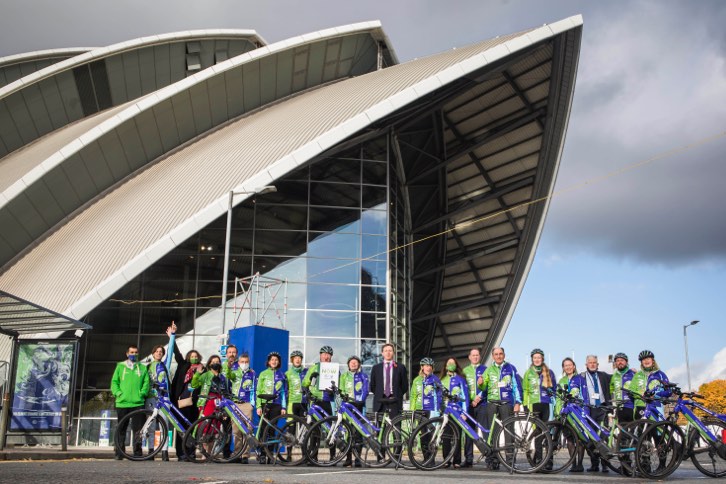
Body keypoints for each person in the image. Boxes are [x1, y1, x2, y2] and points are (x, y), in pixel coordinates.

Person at [478, 347, 521, 470]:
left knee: (509, 431)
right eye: (496, 354)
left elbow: (517, 387)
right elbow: (483, 388)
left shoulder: (511, 368)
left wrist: (518, 402)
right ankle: (493, 460)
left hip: (507, 403)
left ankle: (510, 461)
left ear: (504, 355)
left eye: (500, 354)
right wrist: (480, 383)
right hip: (492, 403)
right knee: (493, 433)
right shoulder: (488, 370)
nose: (498, 356)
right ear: (493, 356)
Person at [569, 355, 611, 473]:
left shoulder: (603, 375)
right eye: (590, 363)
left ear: (597, 364)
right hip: (590, 409)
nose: (592, 364)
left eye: (594, 363)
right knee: (591, 439)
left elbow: (617, 377)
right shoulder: (581, 377)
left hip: (602, 408)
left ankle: (605, 464)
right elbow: (575, 389)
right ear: (586, 364)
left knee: (603, 438)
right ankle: (594, 464)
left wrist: (632, 371)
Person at [168, 322, 203, 461]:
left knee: (192, 427)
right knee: (180, 428)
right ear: (188, 357)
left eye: (196, 356)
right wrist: (172, 336)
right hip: (181, 401)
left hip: (194, 402)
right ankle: (181, 453)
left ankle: (191, 452)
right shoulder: (183, 366)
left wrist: (199, 373)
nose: (194, 357)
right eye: (191, 356)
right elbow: (176, 353)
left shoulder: (202, 369)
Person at [111, 344, 150, 460]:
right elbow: (114, 382)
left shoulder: (142, 368)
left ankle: (137, 453)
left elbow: (146, 383)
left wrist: (141, 394)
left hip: (138, 403)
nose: (134, 354)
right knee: (121, 428)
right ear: (127, 354)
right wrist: (118, 394)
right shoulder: (120, 367)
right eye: (132, 352)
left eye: (136, 352)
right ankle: (119, 453)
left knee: (138, 430)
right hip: (122, 403)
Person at [143, 325, 175, 461]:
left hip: (164, 399)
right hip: (151, 399)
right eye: (157, 351)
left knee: (164, 426)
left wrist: (172, 336)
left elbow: (171, 350)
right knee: (151, 426)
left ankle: (164, 452)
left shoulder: (165, 365)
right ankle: (151, 451)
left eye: (161, 351)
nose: (159, 353)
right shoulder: (147, 366)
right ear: (153, 353)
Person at [521, 348, 555, 470]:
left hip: (546, 405)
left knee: (547, 433)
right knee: (537, 434)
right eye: (535, 358)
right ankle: (539, 460)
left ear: (542, 359)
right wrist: (525, 406)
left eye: (539, 358)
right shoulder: (528, 373)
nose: (537, 359)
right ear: (532, 359)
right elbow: (525, 390)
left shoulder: (549, 372)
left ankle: (549, 460)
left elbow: (554, 390)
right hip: (533, 405)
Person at [409, 357, 443, 464]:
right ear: (422, 367)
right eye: (426, 366)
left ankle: (431, 459)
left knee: (432, 436)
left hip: (431, 410)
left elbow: (439, 395)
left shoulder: (436, 379)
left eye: (430, 366)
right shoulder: (416, 380)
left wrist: (437, 410)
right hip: (420, 411)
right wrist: (412, 411)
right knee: (422, 436)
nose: (428, 368)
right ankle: (426, 458)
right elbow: (413, 396)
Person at [256, 351, 287, 464]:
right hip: (265, 404)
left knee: (273, 430)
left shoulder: (282, 375)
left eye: (276, 360)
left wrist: (283, 407)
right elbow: (258, 390)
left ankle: (270, 454)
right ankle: (262, 454)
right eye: (272, 359)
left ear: (278, 362)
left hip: (277, 405)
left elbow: (283, 392)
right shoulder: (263, 374)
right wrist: (258, 406)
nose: (274, 361)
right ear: (268, 362)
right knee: (263, 429)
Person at [340, 355, 370, 468]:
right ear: (348, 364)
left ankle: (357, 459)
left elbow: (366, 389)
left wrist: (360, 401)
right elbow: (341, 391)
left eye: (356, 362)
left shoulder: (363, 376)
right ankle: (348, 459)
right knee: (348, 433)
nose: (353, 364)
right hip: (348, 407)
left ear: (359, 365)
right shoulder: (343, 376)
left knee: (358, 434)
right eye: (351, 362)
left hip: (359, 407)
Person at [440, 357, 469, 468]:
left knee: (457, 436)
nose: (451, 364)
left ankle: (457, 461)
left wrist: (464, 413)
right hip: (445, 412)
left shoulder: (461, 379)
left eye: (453, 363)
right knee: (446, 437)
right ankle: (446, 460)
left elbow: (465, 397)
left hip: (458, 412)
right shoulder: (442, 380)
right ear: (445, 366)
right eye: (449, 363)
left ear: (456, 365)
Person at [462, 347, 487, 468]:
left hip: (482, 405)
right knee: (468, 432)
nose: (475, 357)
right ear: (469, 357)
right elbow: (463, 388)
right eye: (473, 355)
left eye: (477, 355)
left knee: (485, 431)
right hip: (469, 406)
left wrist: (479, 397)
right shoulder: (465, 371)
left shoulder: (485, 369)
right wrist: (470, 400)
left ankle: (491, 459)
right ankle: (468, 459)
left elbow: (488, 386)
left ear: (480, 357)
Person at [370, 343, 408, 419]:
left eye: (390, 351)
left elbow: (404, 386)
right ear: (382, 353)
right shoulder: (376, 368)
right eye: (386, 351)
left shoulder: (400, 367)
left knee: (396, 427)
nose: (388, 353)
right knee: (379, 427)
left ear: (393, 353)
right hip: (380, 400)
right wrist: (380, 393)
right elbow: (372, 386)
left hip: (395, 400)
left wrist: (397, 394)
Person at [629, 350, 671, 419]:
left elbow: (668, 391)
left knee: (656, 428)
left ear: (653, 360)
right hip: (640, 406)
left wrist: (656, 394)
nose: (646, 361)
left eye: (648, 358)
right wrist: (641, 394)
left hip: (656, 406)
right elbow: (631, 390)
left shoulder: (660, 374)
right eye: (644, 360)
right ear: (641, 363)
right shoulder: (637, 375)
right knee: (640, 429)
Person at [231, 352, 256, 464]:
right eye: (242, 362)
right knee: (236, 431)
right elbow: (227, 378)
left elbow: (254, 389)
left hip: (246, 404)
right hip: (235, 403)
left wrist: (252, 404)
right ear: (239, 362)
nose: (244, 364)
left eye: (246, 362)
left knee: (247, 430)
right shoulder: (234, 373)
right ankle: (237, 453)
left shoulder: (252, 373)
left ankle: (245, 455)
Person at [302, 346, 335, 415]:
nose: (326, 357)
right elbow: (304, 384)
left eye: (328, 354)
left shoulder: (335, 369)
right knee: (314, 424)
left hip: (329, 400)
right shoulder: (313, 368)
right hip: (315, 400)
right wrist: (311, 379)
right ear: (320, 355)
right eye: (324, 354)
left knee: (329, 424)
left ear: (331, 356)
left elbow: (339, 386)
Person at [610, 352, 636, 423]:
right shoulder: (614, 376)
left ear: (626, 362)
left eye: (622, 360)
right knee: (622, 432)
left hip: (631, 407)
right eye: (617, 361)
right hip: (619, 408)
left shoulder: (633, 374)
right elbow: (611, 390)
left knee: (633, 431)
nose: (619, 362)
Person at [286, 350, 308, 418]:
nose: (297, 360)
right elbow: (285, 390)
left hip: (304, 402)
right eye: (295, 358)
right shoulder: (287, 373)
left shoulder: (306, 372)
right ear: (292, 360)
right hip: (292, 402)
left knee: (303, 425)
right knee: (292, 425)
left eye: (299, 358)